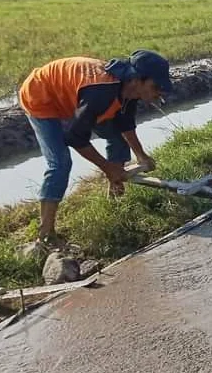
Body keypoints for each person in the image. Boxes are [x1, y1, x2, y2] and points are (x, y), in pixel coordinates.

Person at [18, 50, 173, 245]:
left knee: (118, 138)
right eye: (156, 86)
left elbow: (125, 124)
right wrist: (108, 168)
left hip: (74, 98)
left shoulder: (129, 92)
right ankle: (46, 234)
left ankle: (114, 200)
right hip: (41, 95)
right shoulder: (100, 93)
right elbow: (75, 137)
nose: (159, 92)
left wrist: (141, 156)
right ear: (137, 80)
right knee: (60, 163)